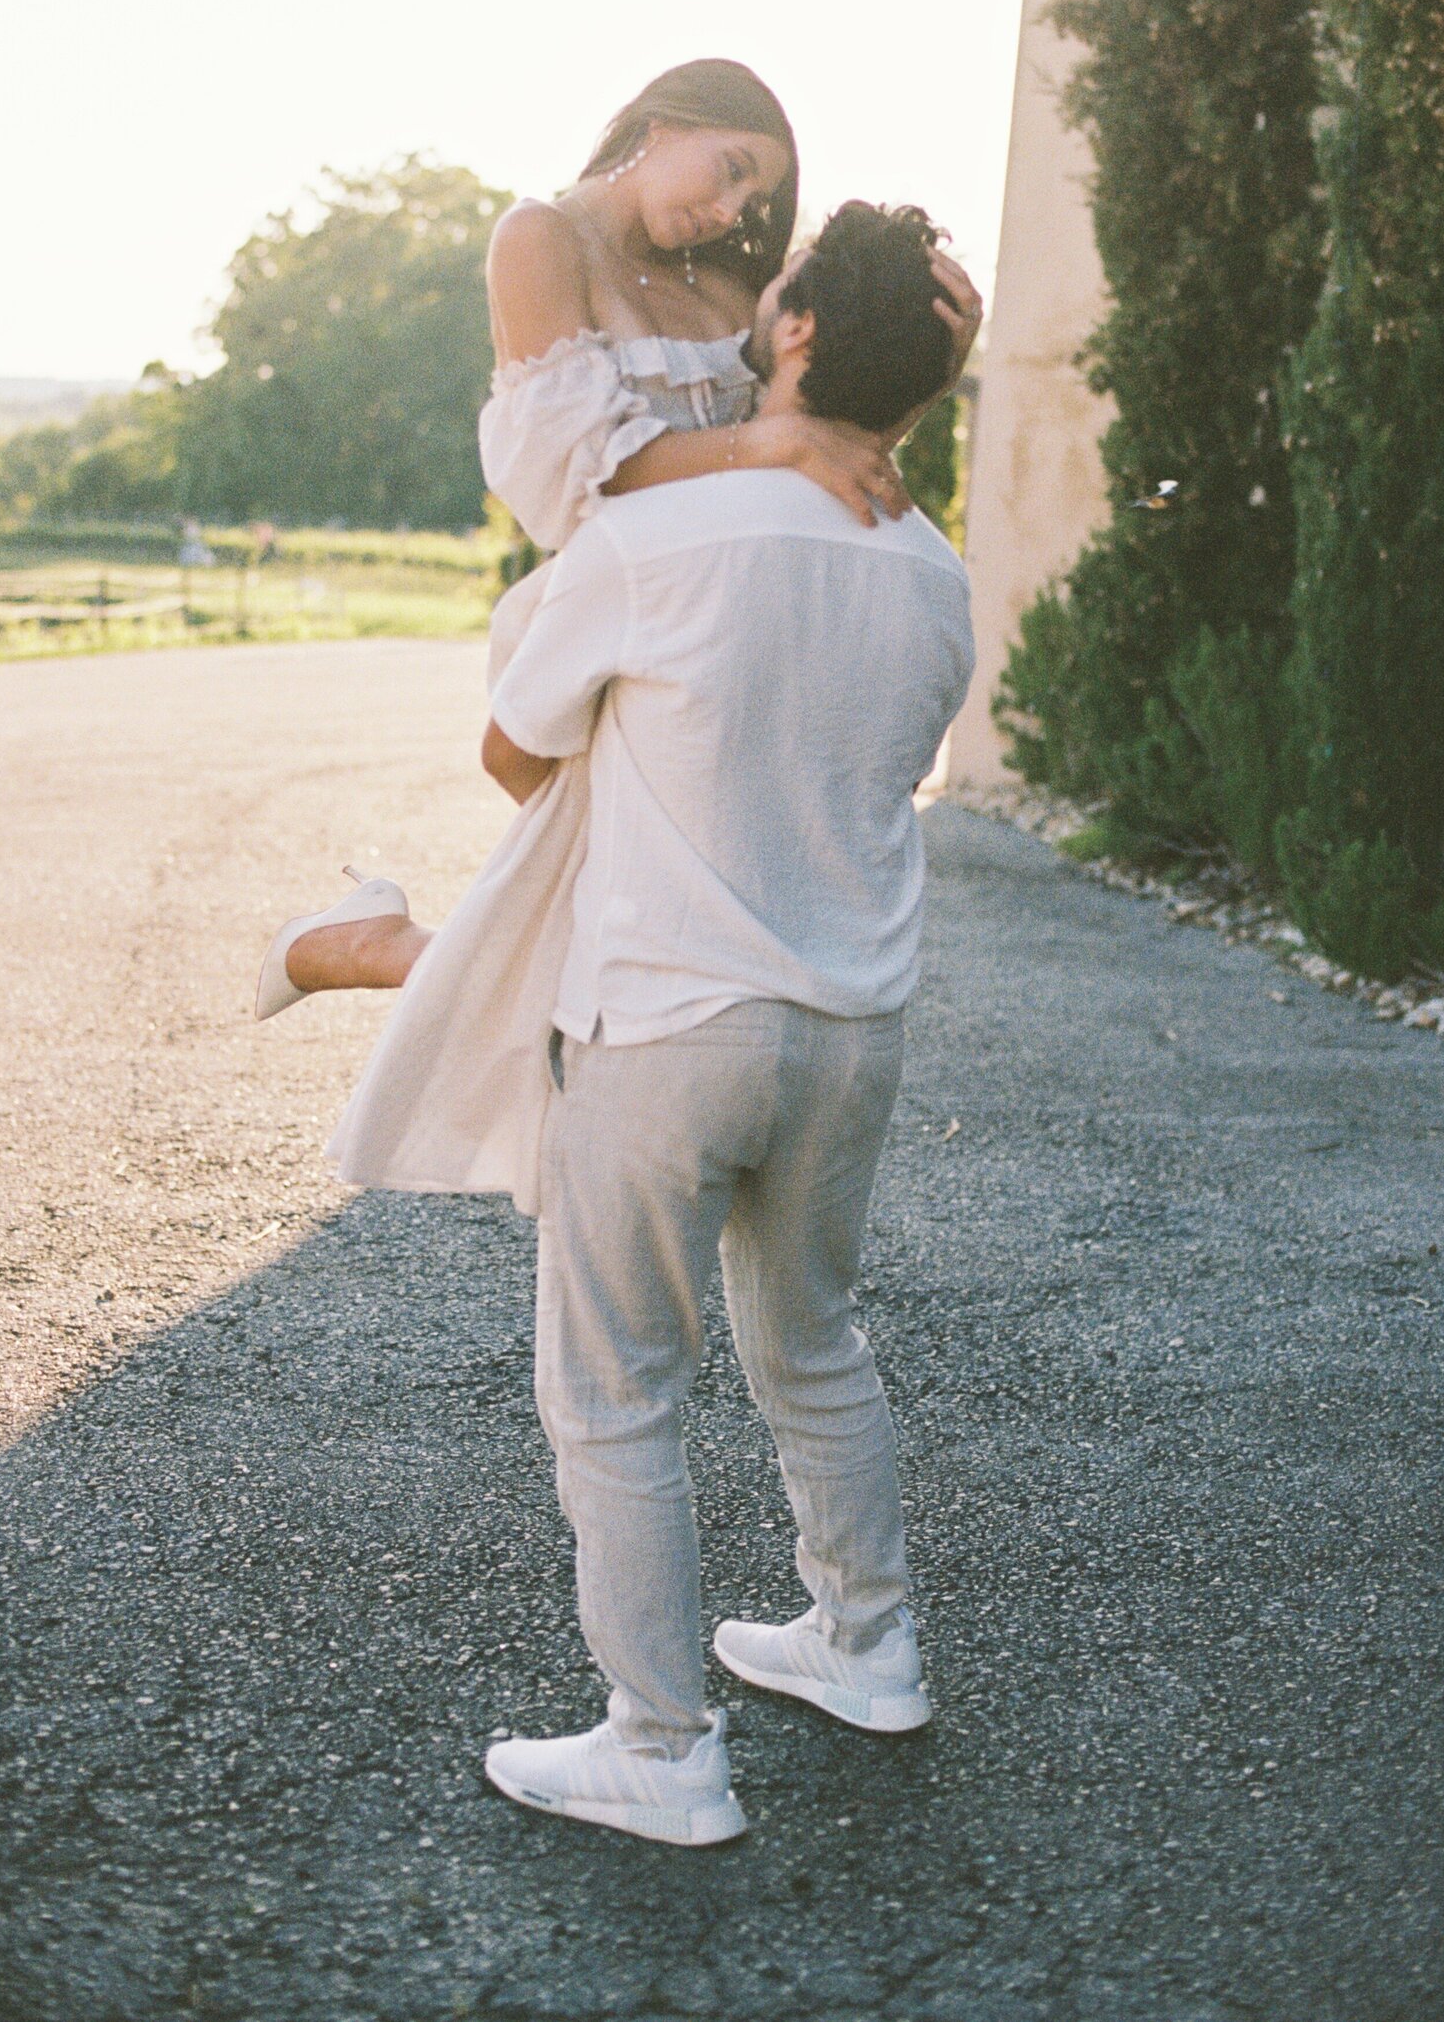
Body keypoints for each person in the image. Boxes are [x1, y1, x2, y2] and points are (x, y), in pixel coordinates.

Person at [256, 62, 980, 1211]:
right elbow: (578, 471)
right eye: (732, 169)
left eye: (757, 202)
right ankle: (378, 951)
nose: (734, 212)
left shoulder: (726, 280)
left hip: (711, 624)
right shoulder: (539, 238)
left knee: (627, 952)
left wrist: (930, 366)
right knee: (622, 955)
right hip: (601, 608)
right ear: (665, 119)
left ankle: (379, 944)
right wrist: (768, 452)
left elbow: (819, 413)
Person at [472, 197, 977, 1844]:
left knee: (617, 1384)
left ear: (804, 334)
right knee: (811, 1334)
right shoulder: (935, 573)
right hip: (853, 1032)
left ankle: (664, 1745)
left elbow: (511, 747)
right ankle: (867, 1641)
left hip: (671, 1020)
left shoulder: (658, 537)